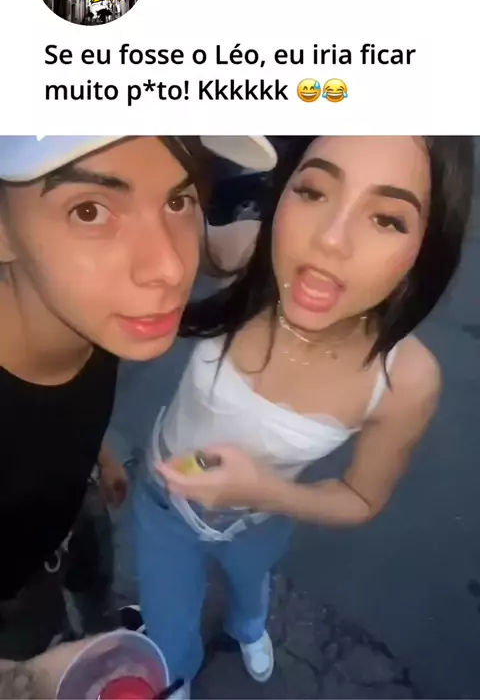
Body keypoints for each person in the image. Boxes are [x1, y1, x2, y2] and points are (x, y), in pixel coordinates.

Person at [134, 135, 474, 697]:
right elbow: (174, 226)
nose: (331, 240)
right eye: (314, 191)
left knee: (250, 587)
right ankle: (177, 678)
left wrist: (263, 492)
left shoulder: (405, 379)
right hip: (162, 500)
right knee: (167, 631)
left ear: (427, 247)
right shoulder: (251, 254)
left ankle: (248, 626)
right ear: (282, 190)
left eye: (387, 219)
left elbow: (361, 498)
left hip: (260, 518)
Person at [0, 133, 277, 697]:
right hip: (13, 589)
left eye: (177, 200)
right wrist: (25, 682)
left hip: (74, 501)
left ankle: (101, 629)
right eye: (89, 210)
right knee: (37, 632)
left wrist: (97, 451)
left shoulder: (85, 303)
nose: (169, 267)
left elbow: (222, 245)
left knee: (94, 585)